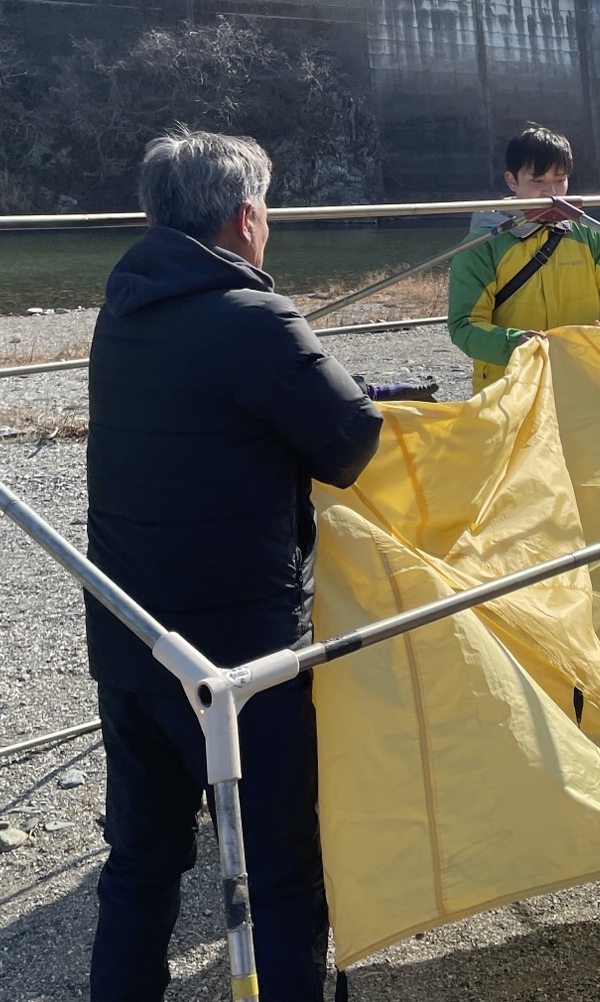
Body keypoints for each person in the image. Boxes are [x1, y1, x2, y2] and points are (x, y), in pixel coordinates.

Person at [86, 129, 383, 1002]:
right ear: (247, 217)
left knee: (141, 860)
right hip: (242, 654)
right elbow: (349, 443)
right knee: (280, 870)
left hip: (131, 636)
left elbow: (210, 414)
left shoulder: (123, 308)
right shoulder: (252, 316)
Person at [446, 124, 600, 393]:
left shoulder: (589, 236)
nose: (552, 192)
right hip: (511, 388)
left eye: (560, 180)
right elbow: (464, 326)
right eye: (538, 181)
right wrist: (515, 343)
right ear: (512, 181)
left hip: (585, 381)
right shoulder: (482, 245)